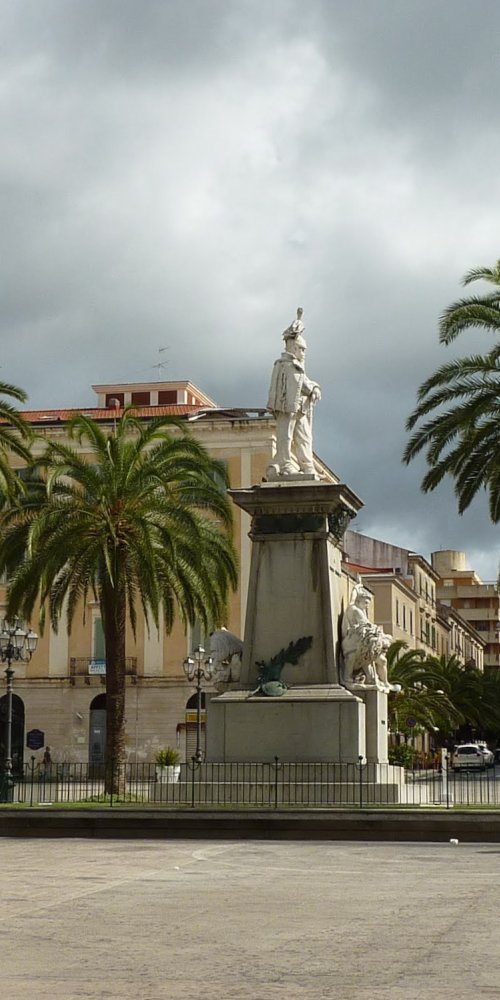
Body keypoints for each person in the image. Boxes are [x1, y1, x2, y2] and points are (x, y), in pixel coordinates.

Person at [266, 308, 321, 478]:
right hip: (286, 407)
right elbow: (302, 382)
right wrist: (313, 387)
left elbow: (304, 380)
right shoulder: (285, 364)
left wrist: (314, 387)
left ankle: (307, 464)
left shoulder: (295, 366)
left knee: (304, 437)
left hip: (300, 408)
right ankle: (285, 463)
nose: (304, 353)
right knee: (286, 437)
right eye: (301, 349)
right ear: (294, 347)